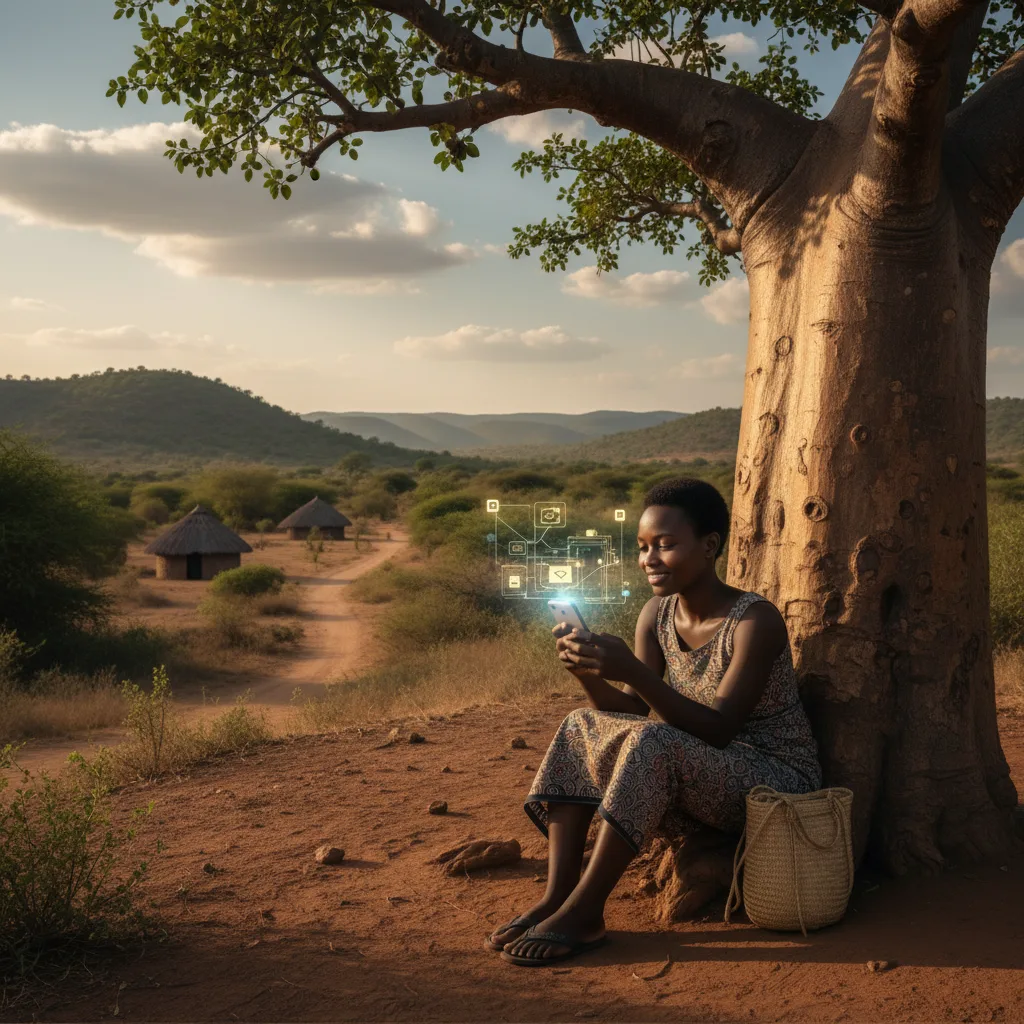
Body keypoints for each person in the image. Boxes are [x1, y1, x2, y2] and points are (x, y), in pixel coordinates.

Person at [488, 477, 823, 967]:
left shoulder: (755, 621)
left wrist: (635, 672)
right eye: (643, 547)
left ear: (709, 546)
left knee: (656, 745)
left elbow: (719, 729)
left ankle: (586, 913)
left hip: (774, 781)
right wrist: (589, 675)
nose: (649, 559)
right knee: (582, 724)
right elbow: (632, 714)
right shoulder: (657, 614)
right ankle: (558, 895)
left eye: (665, 544)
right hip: (701, 769)